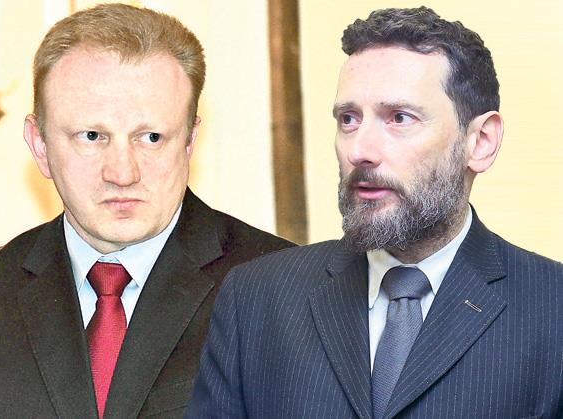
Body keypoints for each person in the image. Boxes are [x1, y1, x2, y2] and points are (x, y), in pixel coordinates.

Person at [186, 6, 563, 419]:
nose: (359, 150)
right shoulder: (255, 300)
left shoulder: (552, 307)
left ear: (481, 142)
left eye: (399, 118)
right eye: (348, 119)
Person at [0, 3, 293, 418]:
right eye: (92, 136)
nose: (123, 173)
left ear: (189, 142)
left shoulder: (287, 293)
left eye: (151, 137)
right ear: (39, 145)